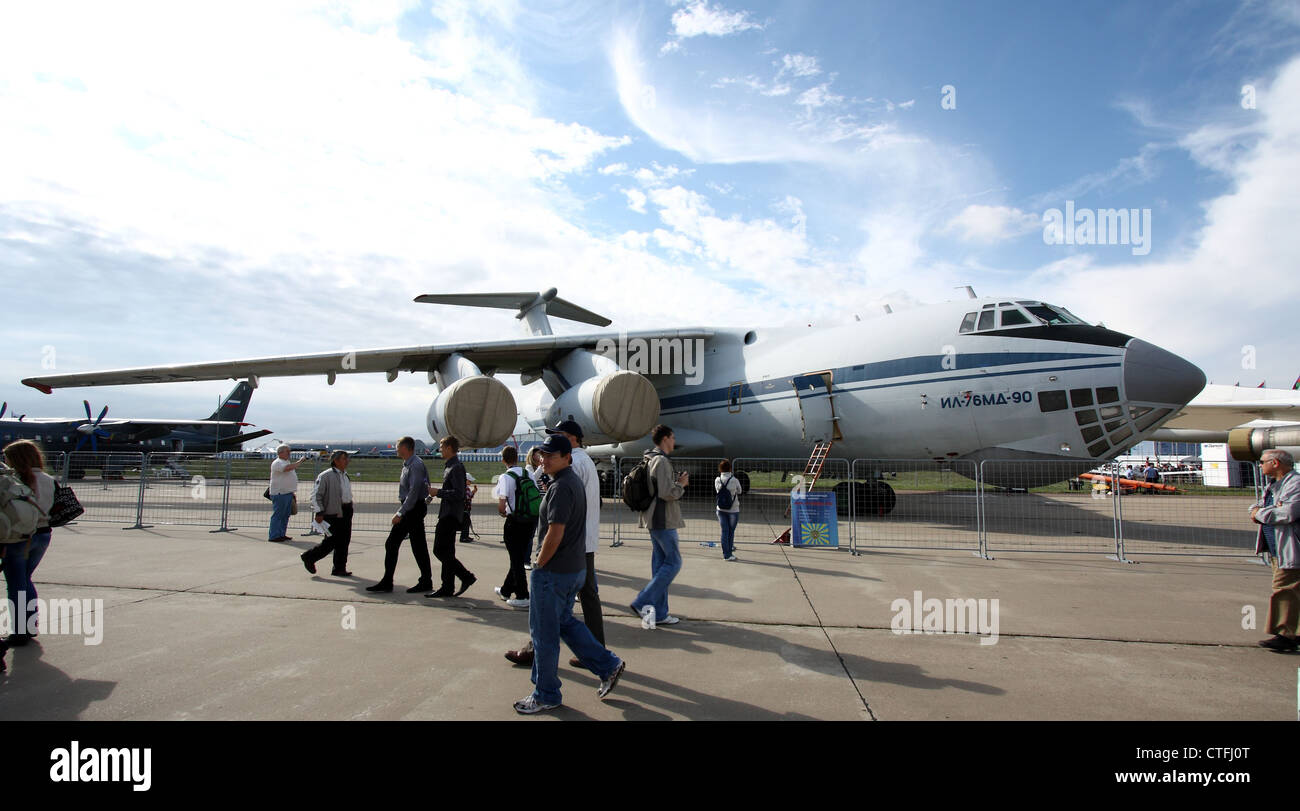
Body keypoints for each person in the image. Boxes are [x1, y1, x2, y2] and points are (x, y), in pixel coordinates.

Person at [513, 432, 624, 714]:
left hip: (554, 571)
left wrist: (539, 562)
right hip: (574, 567)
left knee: (544, 635)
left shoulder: (562, 487)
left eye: (551, 456)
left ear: (566, 458)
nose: (544, 460)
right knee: (566, 624)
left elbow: (556, 530)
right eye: (543, 455)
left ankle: (546, 693)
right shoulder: (571, 482)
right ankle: (608, 665)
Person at [505, 420, 604, 667]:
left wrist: (542, 557)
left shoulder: (576, 465)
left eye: (556, 438)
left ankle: (540, 650)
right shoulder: (585, 461)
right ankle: (595, 651)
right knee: (585, 596)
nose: (548, 448)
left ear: (571, 439)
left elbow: (562, 511)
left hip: (570, 543)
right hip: (583, 540)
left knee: (549, 600)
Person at [630, 424, 687, 630]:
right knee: (674, 563)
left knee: (660, 565)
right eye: (672, 437)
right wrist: (681, 484)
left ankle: (660, 613)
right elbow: (666, 492)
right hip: (662, 519)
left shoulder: (648, 458)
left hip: (652, 519)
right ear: (665, 439)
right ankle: (642, 602)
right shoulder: (661, 460)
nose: (674, 441)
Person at [1, 440, 56, 646]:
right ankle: (30, 625)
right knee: (25, 579)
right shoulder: (49, 479)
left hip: (19, 537)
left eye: (7, 458)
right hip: (43, 534)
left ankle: (20, 630)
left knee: (16, 584)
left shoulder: (13, 481)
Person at [366, 436, 434, 593]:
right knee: (418, 545)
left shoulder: (415, 465)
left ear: (406, 448)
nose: (396, 449)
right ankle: (425, 580)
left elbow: (414, 491)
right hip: (413, 507)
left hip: (412, 509)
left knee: (392, 543)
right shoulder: (409, 464)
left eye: (398, 446)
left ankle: (388, 581)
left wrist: (401, 512)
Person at [1252, 450, 1300, 652]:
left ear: (1276, 463)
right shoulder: (1275, 484)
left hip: (1290, 547)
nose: (1260, 465)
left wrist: (1260, 514)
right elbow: (1259, 506)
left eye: (1262, 462)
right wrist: (1259, 511)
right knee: (1290, 590)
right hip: (1277, 549)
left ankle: (1285, 635)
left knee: (1284, 589)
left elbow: (1287, 513)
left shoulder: (1295, 484)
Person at [425, 436, 476, 598]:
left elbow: (459, 493)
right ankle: (447, 586)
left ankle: (466, 576)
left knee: (439, 550)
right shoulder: (450, 466)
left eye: (441, 446)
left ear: (448, 448)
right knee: (447, 552)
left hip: (450, 515)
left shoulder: (456, 467)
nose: (439, 449)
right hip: (447, 513)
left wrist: (438, 492)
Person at [493, 446, 534, 608]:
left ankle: (523, 595)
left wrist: (502, 513)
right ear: (517, 458)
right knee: (517, 557)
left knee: (516, 560)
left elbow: (502, 505)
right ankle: (505, 590)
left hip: (514, 522)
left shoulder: (505, 477)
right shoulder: (527, 473)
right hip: (529, 521)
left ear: (503, 460)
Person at [302, 450, 354, 577]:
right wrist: (319, 511)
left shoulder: (345, 475)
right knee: (331, 541)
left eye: (347, 458)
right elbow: (316, 495)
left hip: (346, 511)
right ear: (335, 461)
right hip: (332, 513)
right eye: (343, 459)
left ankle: (339, 568)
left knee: (344, 541)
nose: (347, 461)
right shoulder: (326, 476)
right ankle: (309, 556)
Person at [268, 444, 307, 542]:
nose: (289, 453)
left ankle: (281, 533)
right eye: (287, 451)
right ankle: (274, 535)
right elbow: (286, 469)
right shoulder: (278, 462)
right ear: (280, 453)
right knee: (278, 515)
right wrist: (300, 461)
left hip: (287, 492)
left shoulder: (285, 462)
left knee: (285, 515)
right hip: (280, 493)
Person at [715, 459, 743, 561]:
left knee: (724, 531)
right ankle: (729, 552)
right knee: (731, 532)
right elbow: (740, 491)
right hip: (733, 509)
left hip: (720, 509)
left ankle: (726, 554)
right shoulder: (734, 480)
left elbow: (718, 490)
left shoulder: (717, 479)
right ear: (730, 468)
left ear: (720, 469)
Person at [459, 474, 478, 543]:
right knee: (465, 524)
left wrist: (473, 491)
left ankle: (465, 536)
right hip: (465, 509)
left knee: (466, 523)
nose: (470, 482)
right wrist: (472, 493)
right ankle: (464, 537)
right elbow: (467, 497)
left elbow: (469, 496)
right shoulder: (465, 488)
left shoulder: (465, 487)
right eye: (469, 481)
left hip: (465, 509)